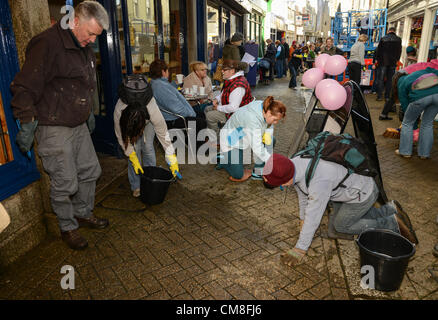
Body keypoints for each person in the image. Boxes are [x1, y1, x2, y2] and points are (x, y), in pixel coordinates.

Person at [10, 1, 110, 250]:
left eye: (96, 36)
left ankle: (83, 213)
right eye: (91, 34)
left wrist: (88, 110)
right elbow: (24, 86)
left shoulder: (82, 44)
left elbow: (85, 81)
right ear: (75, 21)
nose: (92, 41)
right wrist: (26, 120)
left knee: (90, 171)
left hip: (77, 123)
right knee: (66, 183)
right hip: (53, 125)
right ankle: (67, 227)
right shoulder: (47, 43)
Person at [262, 153, 418, 265]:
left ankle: (391, 223)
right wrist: (302, 219)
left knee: (341, 226)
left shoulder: (319, 182)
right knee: (337, 225)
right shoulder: (294, 163)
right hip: (349, 187)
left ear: (286, 180)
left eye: (281, 186)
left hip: (363, 192)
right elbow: (303, 194)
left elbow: (314, 216)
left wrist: (300, 249)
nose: (282, 187)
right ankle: (389, 209)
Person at [114, 75, 180, 198]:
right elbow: (122, 138)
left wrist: (172, 159)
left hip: (148, 122)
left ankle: (150, 179)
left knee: (148, 147)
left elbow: (164, 135)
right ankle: (136, 186)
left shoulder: (152, 110)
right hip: (129, 124)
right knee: (135, 151)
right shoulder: (120, 111)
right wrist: (131, 156)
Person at [218, 97, 286, 182]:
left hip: (244, 137)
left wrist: (268, 134)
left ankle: (257, 172)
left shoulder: (266, 106)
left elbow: (269, 126)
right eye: (275, 120)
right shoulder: (252, 119)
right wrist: (273, 162)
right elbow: (257, 148)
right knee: (238, 175)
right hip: (230, 141)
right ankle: (223, 159)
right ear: (268, 113)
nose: (276, 123)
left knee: (271, 140)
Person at [150, 59, 207, 148]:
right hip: (172, 120)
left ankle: (192, 142)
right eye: (167, 70)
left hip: (170, 116)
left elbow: (168, 93)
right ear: (163, 72)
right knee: (201, 121)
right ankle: (198, 147)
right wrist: (191, 113)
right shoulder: (160, 86)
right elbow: (176, 108)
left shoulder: (157, 83)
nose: (168, 72)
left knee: (201, 114)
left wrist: (175, 83)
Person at [395, 67, 438, 159]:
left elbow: (405, 104)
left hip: (419, 96)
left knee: (407, 123)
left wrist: (414, 125)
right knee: (427, 123)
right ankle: (424, 154)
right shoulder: (423, 71)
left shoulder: (401, 82)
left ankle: (405, 152)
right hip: (437, 95)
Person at [204, 60, 252, 136]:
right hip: (230, 110)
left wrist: (218, 108)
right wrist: (217, 99)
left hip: (236, 115)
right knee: (207, 109)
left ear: (232, 71)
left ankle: (217, 139)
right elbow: (224, 93)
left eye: (224, 70)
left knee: (210, 116)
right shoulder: (233, 79)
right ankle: (220, 130)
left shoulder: (238, 86)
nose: (222, 71)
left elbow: (233, 108)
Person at [374, 27, 402, 101]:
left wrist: (377, 61)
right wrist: (397, 60)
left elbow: (379, 51)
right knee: (390, 80)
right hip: (393, 62)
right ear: (394, 31)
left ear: (388, 31)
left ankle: (379, 96)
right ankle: (387, 97)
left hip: (383, 62)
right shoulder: (398, 39)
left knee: (381, 79)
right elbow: (399, 51)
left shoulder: (383, 38)